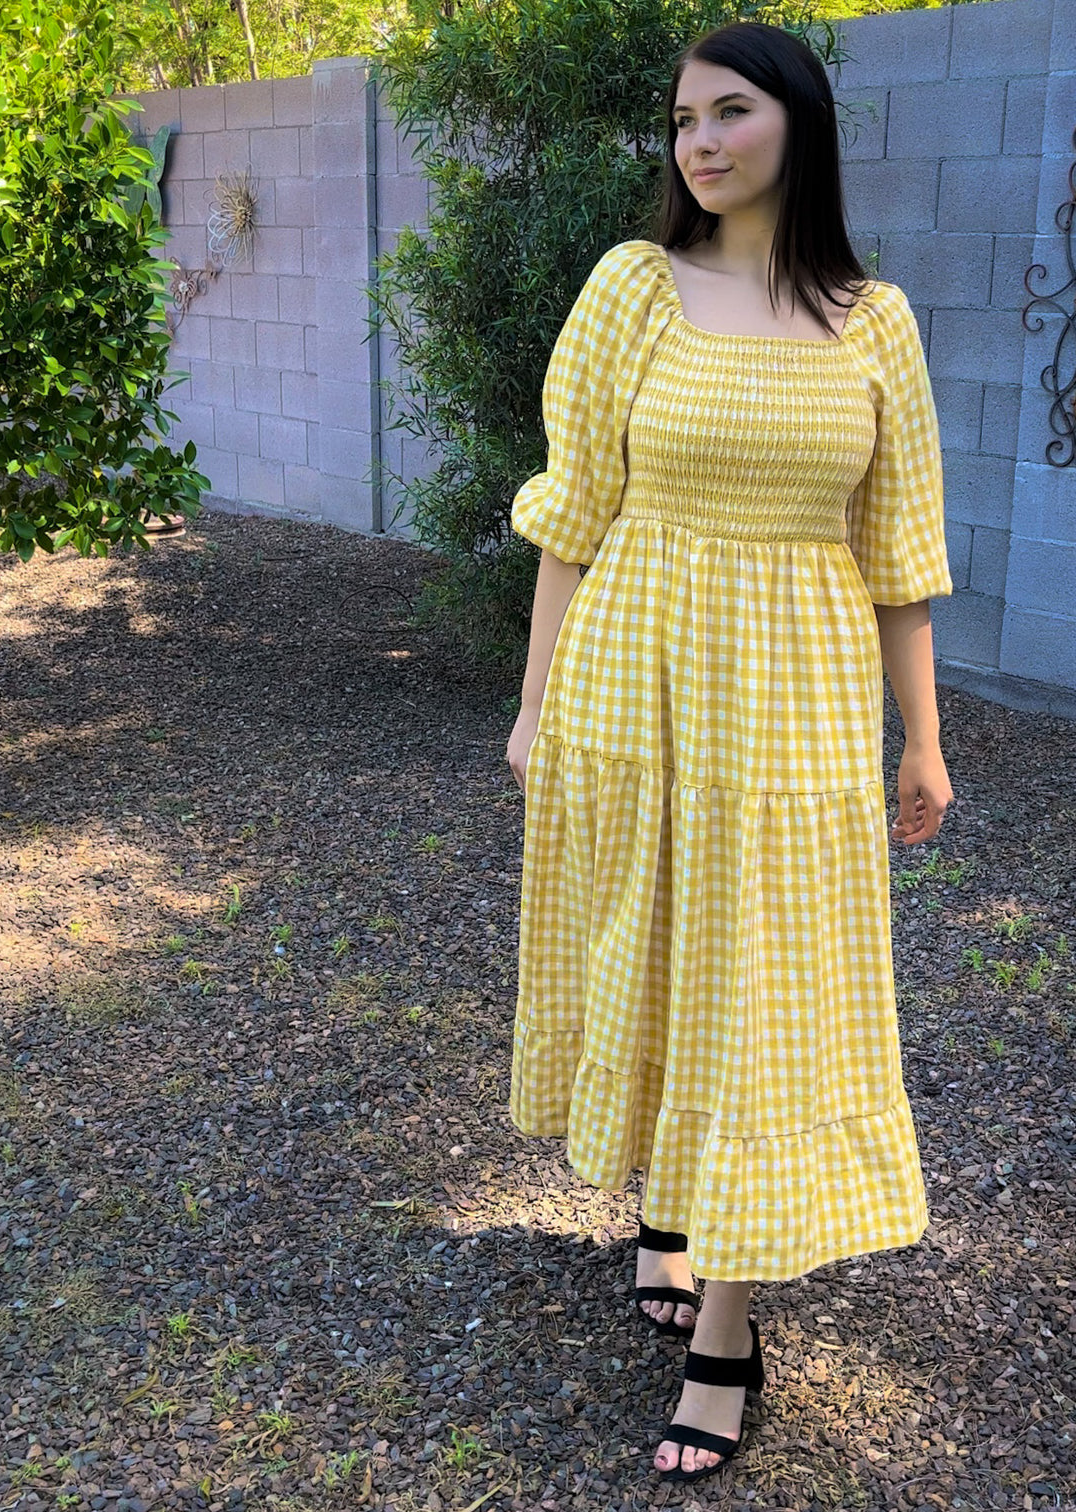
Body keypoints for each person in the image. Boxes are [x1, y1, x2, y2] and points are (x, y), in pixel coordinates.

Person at [504, 19, 954, 1487]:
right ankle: (668, 1210)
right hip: (636, 686)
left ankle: (728, 1335)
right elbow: (574, 518)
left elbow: (901, 553)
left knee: (765, 991)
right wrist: (533, 703)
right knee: (659, 950)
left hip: (797, 704)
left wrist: (924, 738)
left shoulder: (874, 322)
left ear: (796, 127)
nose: (698, 140)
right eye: (683, 118)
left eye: (731, 111)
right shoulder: (634, 289)